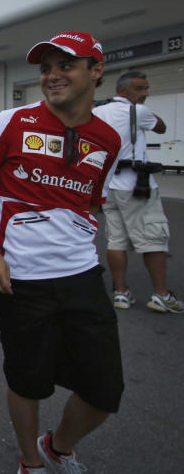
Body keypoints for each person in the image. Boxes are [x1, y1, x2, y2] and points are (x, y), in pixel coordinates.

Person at [0, 31, 122, 474]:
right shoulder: (12, 121)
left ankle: (58, 448)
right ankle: (31, 463)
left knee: (104, 392)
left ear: (96, 71)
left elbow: (93, 202)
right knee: (28, 381)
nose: (52, 75)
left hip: (81, 275)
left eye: (65, 65)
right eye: (46, 68)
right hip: (20, 279)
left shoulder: (108, 139)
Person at [93, 71, 182, 313]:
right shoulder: (138, 112)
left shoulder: (98, 112)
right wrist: (141, 109)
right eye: (140, 89)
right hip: (136, 186)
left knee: (116, 240)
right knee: (153, 240)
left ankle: (121, 293)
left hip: (108, 186)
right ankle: (161, 295)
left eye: (146, 88)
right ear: (123, 91)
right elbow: (161, 128)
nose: (145, 94)